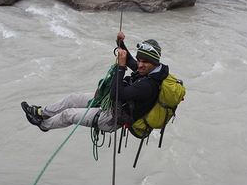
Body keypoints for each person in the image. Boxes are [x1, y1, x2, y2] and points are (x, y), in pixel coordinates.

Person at [21, 31, 169, 133]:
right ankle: (40, 112)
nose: (140, 65)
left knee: (68, 114)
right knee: (73, 98)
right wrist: (120, 43)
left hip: (111, 117)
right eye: (139, 60)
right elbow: (130, 60)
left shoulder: (148, 86)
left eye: (145, 62)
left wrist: (121, 67)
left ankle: (43, 124)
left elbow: (116, 94)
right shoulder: (148, 70)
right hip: (112, 105)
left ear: (154, 63)